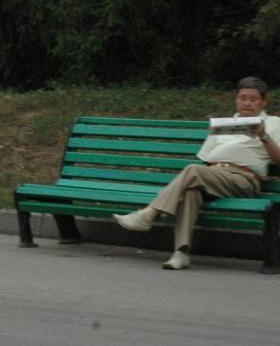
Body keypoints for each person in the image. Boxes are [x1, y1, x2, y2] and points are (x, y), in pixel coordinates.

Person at [113, 76, 280, 269]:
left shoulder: (274, 123)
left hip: (243, 179)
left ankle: (149, 213)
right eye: (242, 98)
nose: (247, 103)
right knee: (192, 191)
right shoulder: (226, 124)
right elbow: (206, 158)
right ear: (236, 99)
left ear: (264, 101)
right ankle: (181, 253)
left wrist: (263, 135)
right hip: (213, 175)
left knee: (193, 171)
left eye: (253, 99)